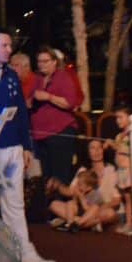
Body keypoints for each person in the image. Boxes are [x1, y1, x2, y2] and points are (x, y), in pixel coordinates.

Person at [0, 29, 56, 262]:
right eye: (5, 45)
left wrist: (27, 146)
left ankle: (23, 251)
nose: (10, 50)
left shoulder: (11, 77)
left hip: (13, 148)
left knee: (15, 203)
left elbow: (21, 112)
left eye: (10, 46)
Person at [30, 46, 83, 186]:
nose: (42, 64)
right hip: (41, 135)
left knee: (59, 178)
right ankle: (50, 205)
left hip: (60, 133)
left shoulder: (63, 77)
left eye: (45, 61)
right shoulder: (37, 79)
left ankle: (61, 204)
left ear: (54, 62)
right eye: (39, 61)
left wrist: (48, 97)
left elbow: (69, 103)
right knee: (46, 176)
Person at [48, 139, 120, 232]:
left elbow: (116, 201)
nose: (97, 151)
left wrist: (96, 210)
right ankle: (86, 224)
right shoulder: (83, 170)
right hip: (82, 210)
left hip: (101, 209)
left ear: (103, 150)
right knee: (54, 205)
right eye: (93, 148)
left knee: (110, 214)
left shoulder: (111, 170)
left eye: (99, 147)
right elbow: (70, 191)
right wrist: (57, 185)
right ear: (88, 152)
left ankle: (72, 223)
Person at [106, 104, 132, 235]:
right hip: (122, 171)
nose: (118, 120)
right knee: (127, 198)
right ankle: (129, 223)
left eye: (120, 117)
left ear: (130, 118)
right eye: (116, 118)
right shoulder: (120, 136)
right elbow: (118, 146)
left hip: (131, 171)